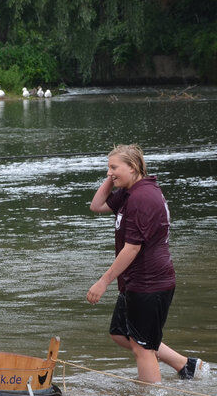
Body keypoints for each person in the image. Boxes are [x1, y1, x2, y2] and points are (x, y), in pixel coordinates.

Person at [86, 144, 207, 383]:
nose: (109, 172)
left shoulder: (142, 197)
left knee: (143, 348)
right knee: (121, 333)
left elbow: (132, 248)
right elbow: (96, 206)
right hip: (135, 281)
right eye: (108, 168)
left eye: (114, 167)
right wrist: (111, 178)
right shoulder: (130, 191)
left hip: (150, 283)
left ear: (132, 167)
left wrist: (103, 282)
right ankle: (186, 365)